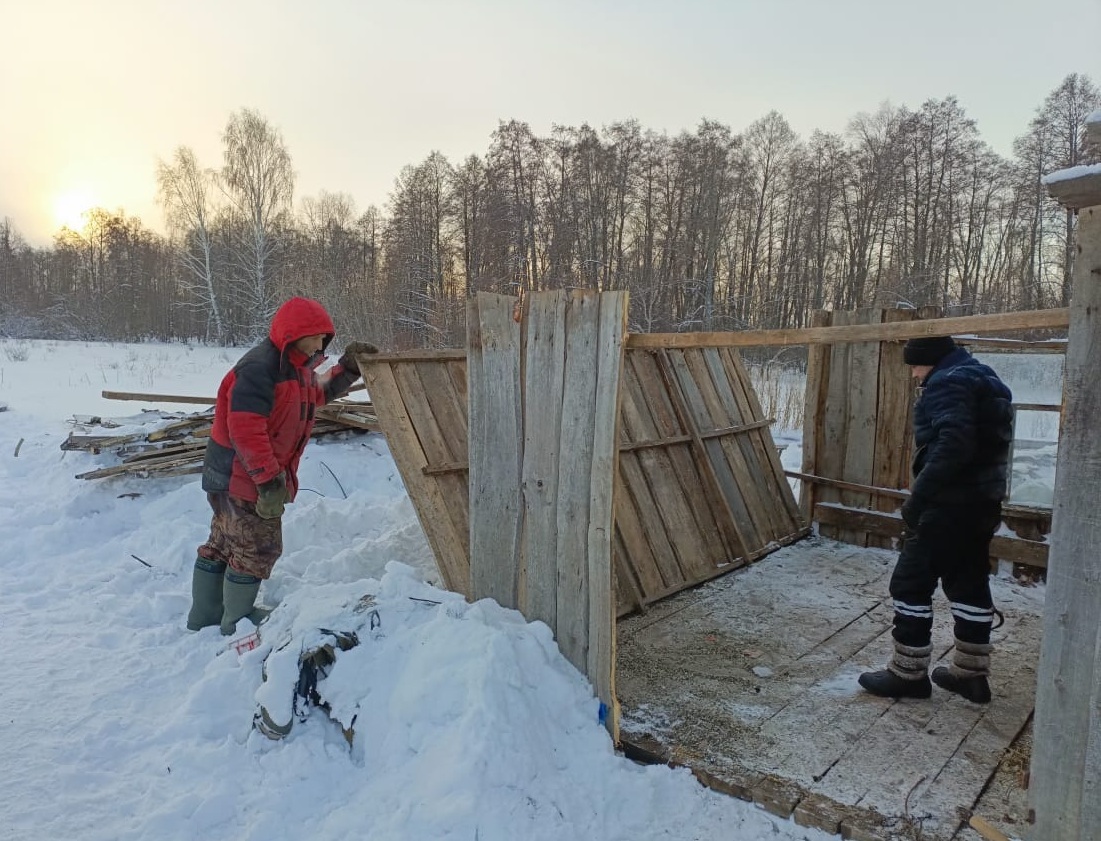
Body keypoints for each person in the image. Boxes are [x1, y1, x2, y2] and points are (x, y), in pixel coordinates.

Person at [186, 296, 378, 635]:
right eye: (318, 336)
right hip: (241, 476)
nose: (322, 343)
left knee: (224, 541)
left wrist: (347, 369)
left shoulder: (294, 369)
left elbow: (315, 393)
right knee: (258, 545)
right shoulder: (260, 370)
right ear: (296, 333)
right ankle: (237, 621)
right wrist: (268, 481)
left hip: (234, 474)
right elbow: (245, 429)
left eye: (325, 337)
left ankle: (205, 616)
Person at [859, 335, 1013, 704]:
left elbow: (953, 444)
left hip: (948, 504)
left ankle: (908, 674)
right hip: (982, 502)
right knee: (968, 581)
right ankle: (970, 674)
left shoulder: (949, 382)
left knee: (910, 584)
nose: (914, 375)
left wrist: (920, 497)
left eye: (915, 366)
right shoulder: (986, 378)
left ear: (932, 359)